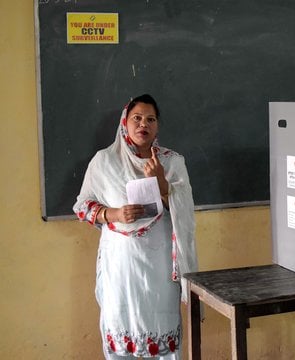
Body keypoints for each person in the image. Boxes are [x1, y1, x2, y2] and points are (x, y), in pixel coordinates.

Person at [73, 94, 198, 359]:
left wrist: (162, 185)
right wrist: (113, 213)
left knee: (163, 329)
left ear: (158, 126)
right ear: (124, 123)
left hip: (160, 265)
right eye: (137, 118)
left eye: (150, 119)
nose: (144, 124)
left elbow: (185, 209)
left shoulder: (172, 162)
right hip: (120, 266)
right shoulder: (104, 162)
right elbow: (82, 206)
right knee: (120, 328)